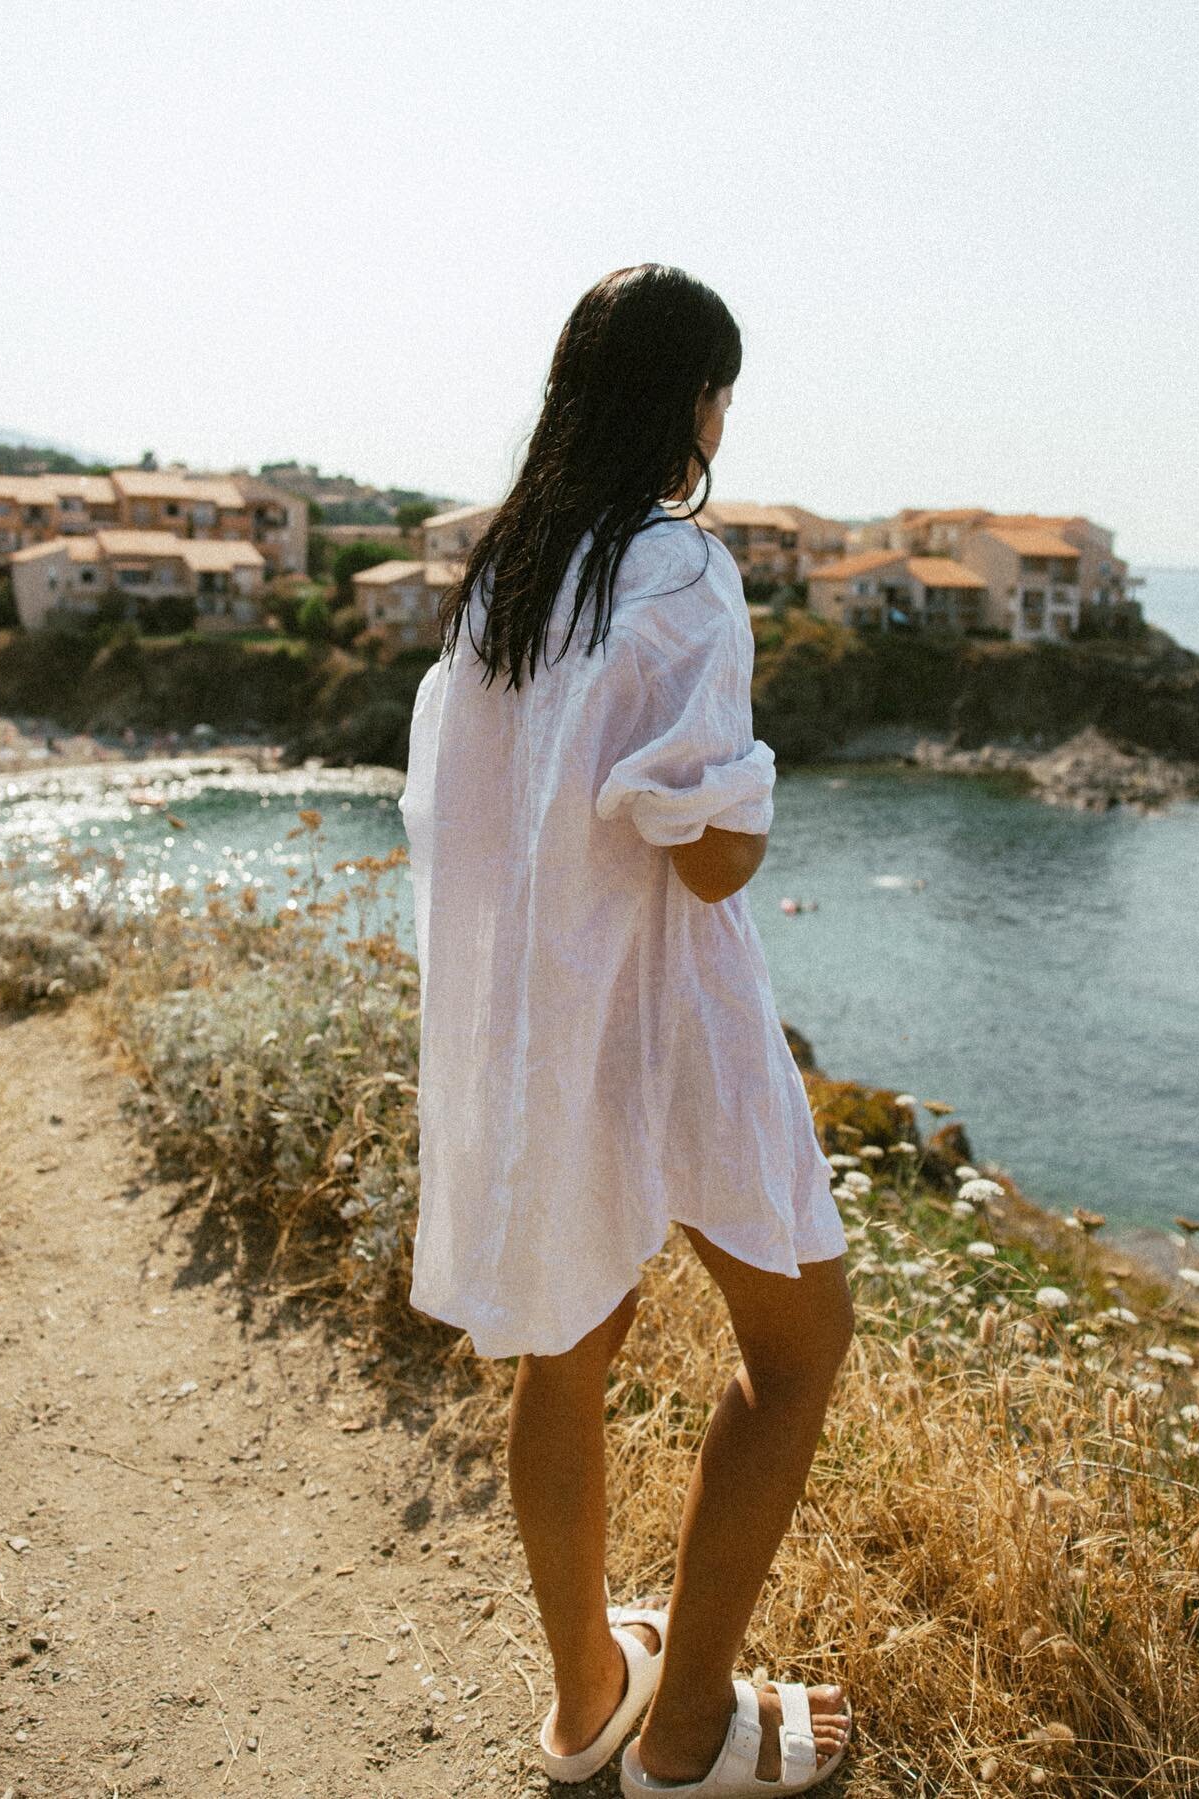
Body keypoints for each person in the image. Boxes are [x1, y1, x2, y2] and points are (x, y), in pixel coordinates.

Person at [397, 264, 855, 1797]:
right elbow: (709, 849)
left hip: (542, 1036)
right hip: (668, 1021)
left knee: (567, 1346)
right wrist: (753, 796)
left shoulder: (501, 583)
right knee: (801, 1350)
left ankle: (588, 1695)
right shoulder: (677, 569)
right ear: (696, 403)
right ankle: (687, 1728)